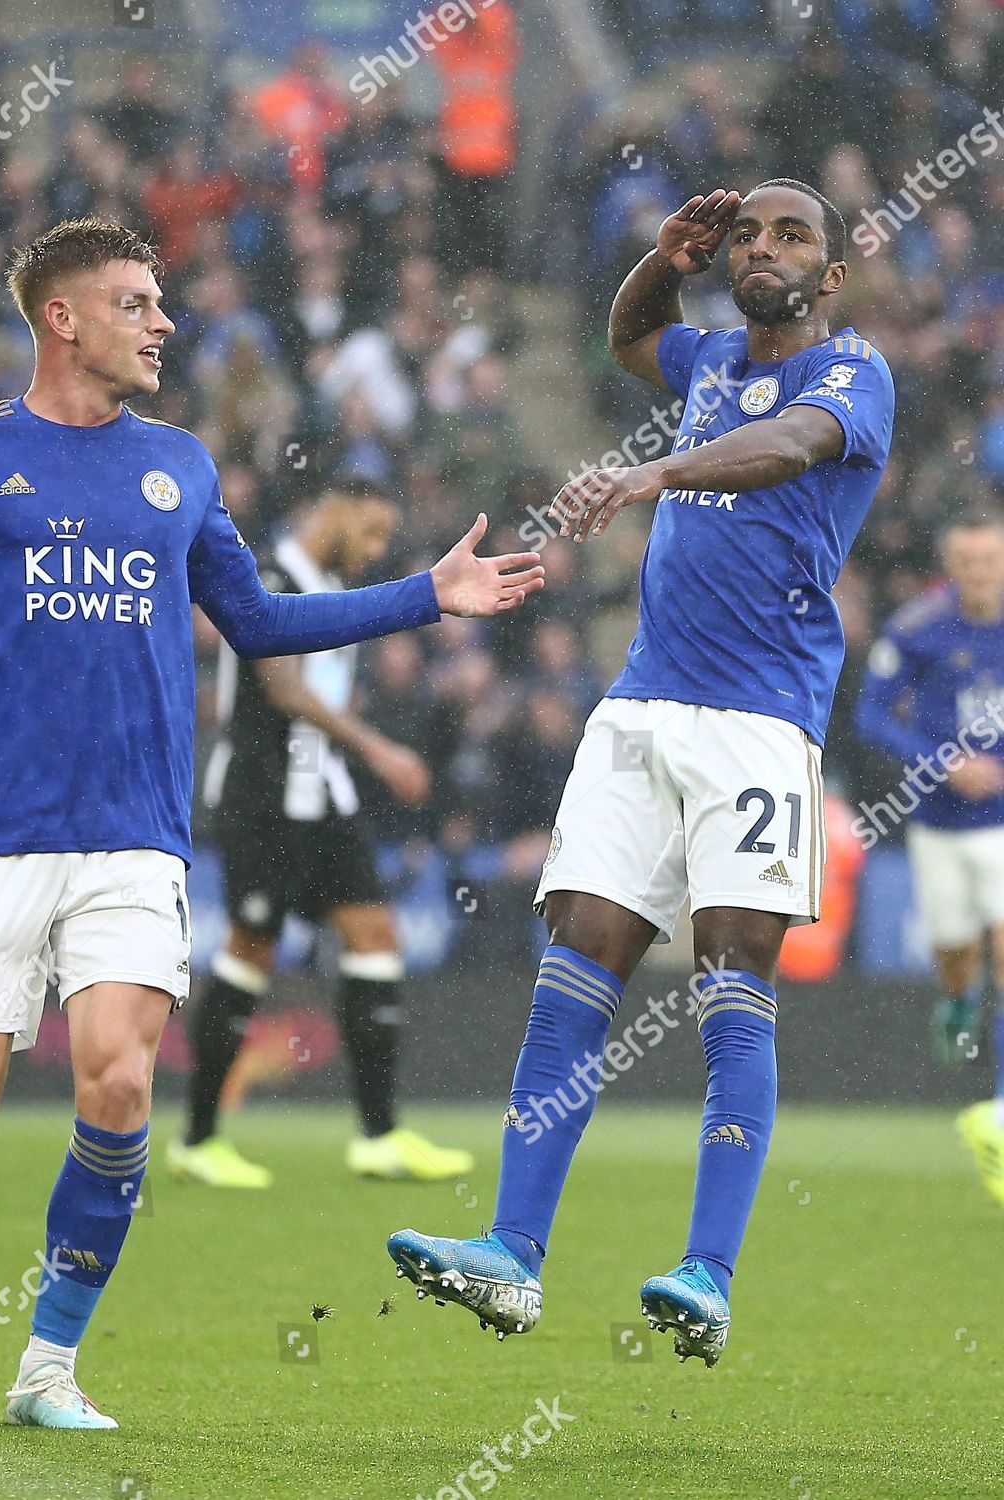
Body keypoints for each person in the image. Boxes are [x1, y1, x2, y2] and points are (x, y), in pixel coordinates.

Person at [0, 217, 544, 1433]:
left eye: (161, 302)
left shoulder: (181, 467)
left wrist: (424, 596)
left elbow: (258, 623)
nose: (163, 322)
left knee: (115, 1087)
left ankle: (49, 1365)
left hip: (133, 835)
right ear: (60, 318)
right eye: (134, 302)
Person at [386, 180, 894, 1367]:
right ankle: (512, 1254)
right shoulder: (707, 350)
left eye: (792, 236)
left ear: (827, 277)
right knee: (575, 962)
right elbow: (623, 336)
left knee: (730, 982)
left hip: (760, 724)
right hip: (641, 709)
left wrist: (651, 477)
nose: (763, 246)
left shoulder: (852, 371)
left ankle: (707, 1274)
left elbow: (787, 448)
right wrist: (661, 262)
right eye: (750, 232)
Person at [173, 478, 474, 1188]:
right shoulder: (271, 576)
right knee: (251, 952)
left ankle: (379, 1135)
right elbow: (283, 689)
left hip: (322, 798)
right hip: (262, 797)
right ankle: (198, 1139)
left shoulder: (332, 584)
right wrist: (379, 748)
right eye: (368, 533)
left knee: (376, 938)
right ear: (331, 512)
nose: (375, 551)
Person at [854, 512, 1004, 1201]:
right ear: (952, 565)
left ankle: (999, 1107)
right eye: (969, 563)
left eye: (991, 562)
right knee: (956, 955)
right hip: (939, 823)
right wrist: (942, 760)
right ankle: (955, 1001)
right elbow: (872, 715)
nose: (981, 574)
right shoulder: (919, 628)